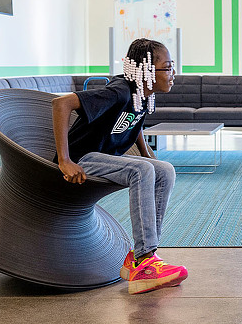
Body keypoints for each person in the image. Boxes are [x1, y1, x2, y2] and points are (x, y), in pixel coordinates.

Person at [52, 38, 188, 294]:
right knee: (142, 170)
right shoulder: (119, 91)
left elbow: (135, 122)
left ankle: (141, 257)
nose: (173, 74)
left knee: (163, 169)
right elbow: (61, 104)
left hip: (107, 158)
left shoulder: (142, 95)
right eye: (167, 67)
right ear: (147, 70)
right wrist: (64, 160)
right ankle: (146, 259)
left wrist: (147, 153)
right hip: (84, 158)